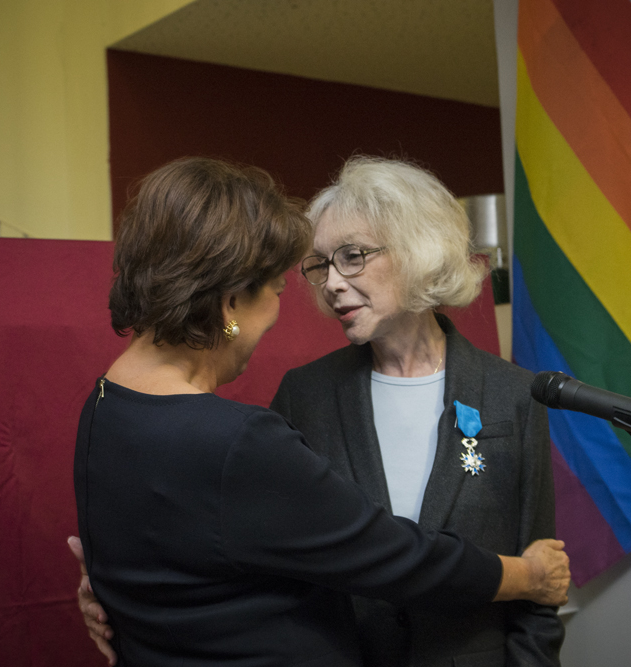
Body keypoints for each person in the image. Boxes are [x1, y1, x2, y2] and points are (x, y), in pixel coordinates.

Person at [71, 156, 570, 667]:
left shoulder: (514, 394)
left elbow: (539, 600)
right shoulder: (300, 397)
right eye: (319, 264)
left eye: (352, 256)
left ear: (420, 250)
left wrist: (122, 584)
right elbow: (354, 550)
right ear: (229, 304)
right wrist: (120, 583)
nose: (329, 283)